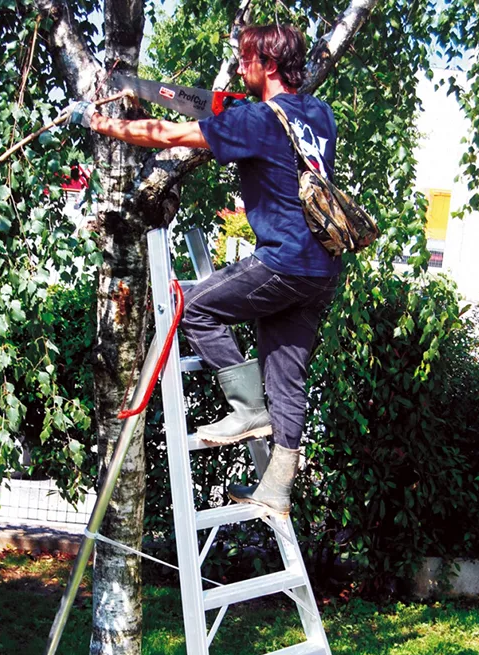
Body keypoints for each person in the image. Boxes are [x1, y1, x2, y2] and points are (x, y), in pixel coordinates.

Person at [70, 23, 341, 518]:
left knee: (189, 305)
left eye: (246, 58)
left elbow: (171, 135)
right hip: (322, 269)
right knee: (286, 374)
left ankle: (247, 410)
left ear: (270, 65)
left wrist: (98, 122)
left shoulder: (258, 120)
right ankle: (277, 489)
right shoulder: (319, 115)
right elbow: (225, 113)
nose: (240, 65)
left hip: (283, 261)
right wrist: (158, 95)